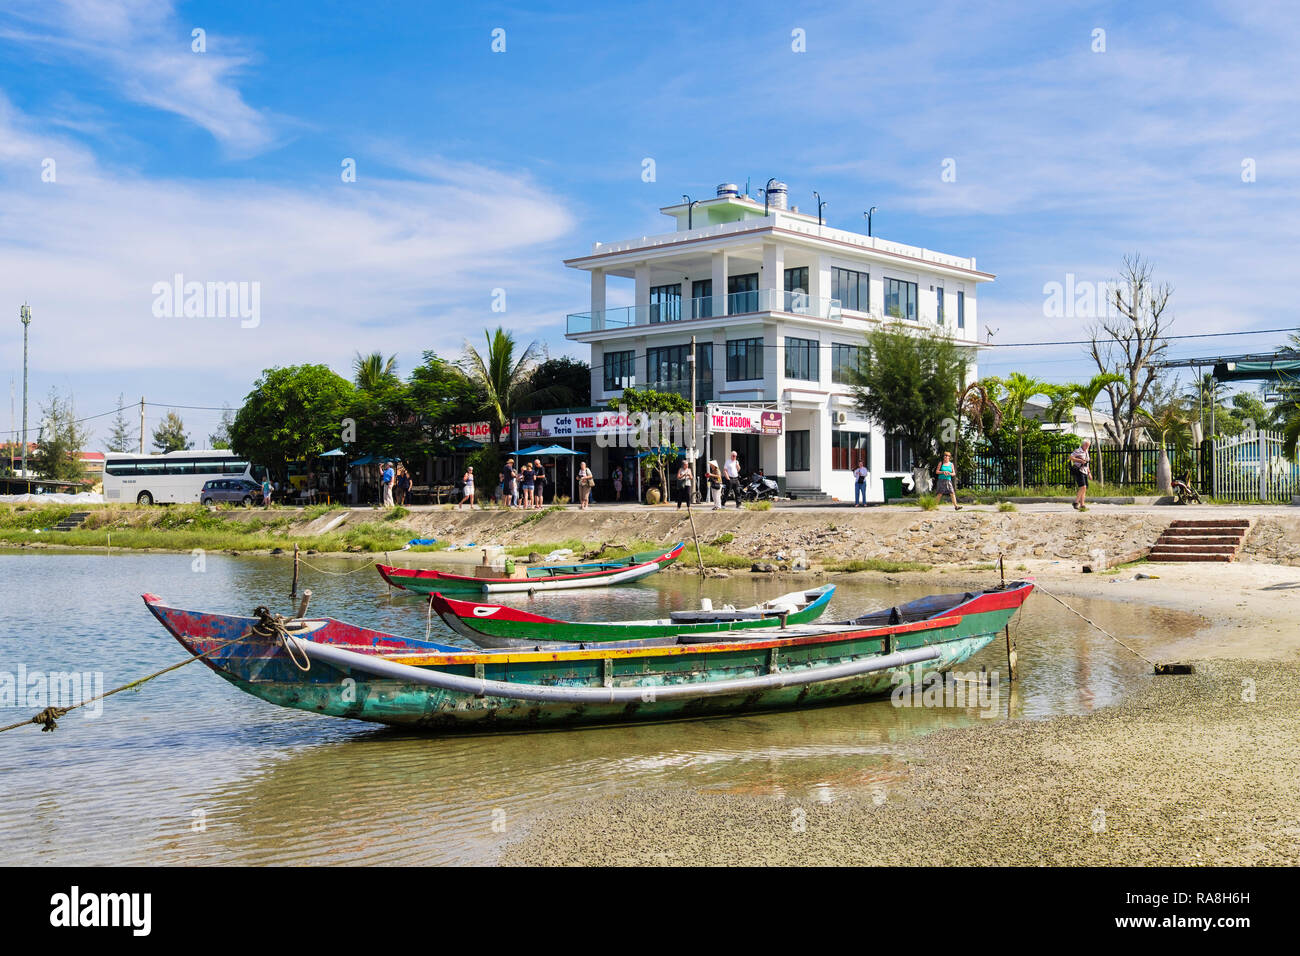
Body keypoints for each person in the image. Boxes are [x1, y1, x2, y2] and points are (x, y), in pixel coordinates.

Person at [1069, 439, 1091, 512]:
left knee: (1084, 489)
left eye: (1088, 445)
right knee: (1083, 487)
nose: (1088, 447)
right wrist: (1079, 461)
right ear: (1083, 444)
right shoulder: (1078, 450)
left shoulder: (1086, 451)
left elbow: (1087, 463)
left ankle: (1082, 504)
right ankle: (1076, 502)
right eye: (1087, 445)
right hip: (1079, 470)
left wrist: (1089, 473)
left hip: (1084, 471)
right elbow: (1071, 457)